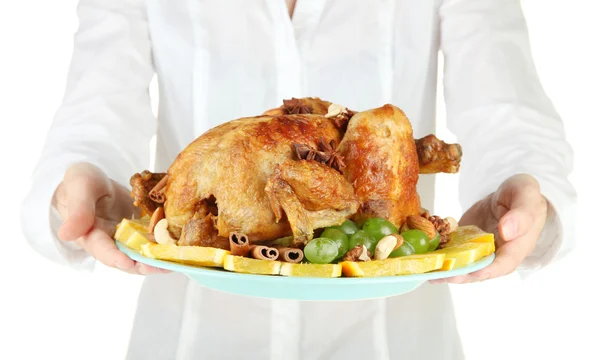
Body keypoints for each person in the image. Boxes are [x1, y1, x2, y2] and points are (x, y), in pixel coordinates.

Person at [21, 0, 577, 359]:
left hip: (396, 340)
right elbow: (95, 108)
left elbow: (510, 112)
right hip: (192, 338)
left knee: (381, 128)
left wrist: (524, 190)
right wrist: (84, 176)